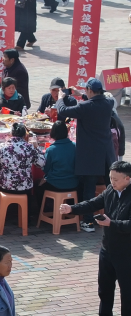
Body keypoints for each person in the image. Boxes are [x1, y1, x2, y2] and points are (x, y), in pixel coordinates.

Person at [62, 161, 131, 316]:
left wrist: (111, 223)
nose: (112, 182)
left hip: (126, 251)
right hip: (107, 247)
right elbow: (93, 203)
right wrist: (72, 208)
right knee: (105, 286)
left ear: (127, 178)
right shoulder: (110, 191)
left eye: (115, 179)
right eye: (110, 178)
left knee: (127, 289)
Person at [56, 78, 116, 232]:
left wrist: (62, 98)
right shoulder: (108, 103)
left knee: (89, 189)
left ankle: (88, 222)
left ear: (89, 90)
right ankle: (114, 217)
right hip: (107, 153)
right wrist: (81, 95)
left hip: (91, 155)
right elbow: (97, 102)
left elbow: (62, 111)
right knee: (112, 186)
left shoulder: (85, 107)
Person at [0, 123, 45, 217]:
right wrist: (37, 147)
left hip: (5, 185)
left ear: (11, 134)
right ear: (24, 135)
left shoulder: (2, 146)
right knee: (29, 192)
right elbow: (41, 163)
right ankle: (26, 219)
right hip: (24, 187)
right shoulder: (29, 147)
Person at [34, 121, 78, 210]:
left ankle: (44, 211)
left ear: (53, 133)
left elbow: (46, 169)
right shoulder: (75, 146)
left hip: (55, 183)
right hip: (74, 183)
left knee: (37, 184)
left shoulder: (51, 149)